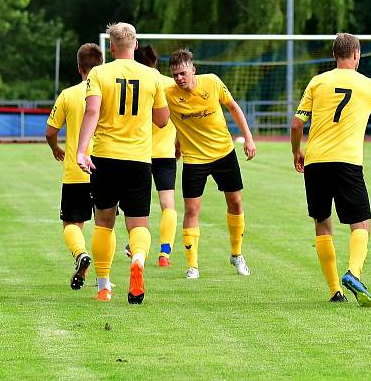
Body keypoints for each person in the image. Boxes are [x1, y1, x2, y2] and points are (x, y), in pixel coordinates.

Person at [291, 33, 371, 306]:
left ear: (333, 55)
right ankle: (353, 272)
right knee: (361, 222)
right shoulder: (368, 85)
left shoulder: (317, 82)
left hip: (316, 161)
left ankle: (334, 291)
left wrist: (297, 151)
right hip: (347, 162)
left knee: (322, 222)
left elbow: (296, 124)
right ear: (356, 55)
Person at [77, 22, 170, 304]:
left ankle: (104, 286)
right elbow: (163, 119)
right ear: (136, 45)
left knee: (104, 222)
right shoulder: (151, 76)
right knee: (138, 223)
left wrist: (82, 150)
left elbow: (92, 111)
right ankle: (138, 259)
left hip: (105, 157)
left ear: (111, 47)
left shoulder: (99, 73)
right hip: (139, 159)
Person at [164, 49, 256, 280]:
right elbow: (176, 120)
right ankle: (192, 265)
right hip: (195, 160)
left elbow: (233, 107)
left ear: (193, 70)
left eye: (183, 73)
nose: (179, 78)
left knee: (235, 203)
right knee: (192, 209)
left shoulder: (212, 82)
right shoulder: (168, 94)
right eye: (175, 75)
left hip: (224, 153)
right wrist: (177, 144)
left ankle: (237, 254)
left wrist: (249, 137)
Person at [45, 43, 104, 291]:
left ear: (79, 67)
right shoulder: (107, 92)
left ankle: (80, 254)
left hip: (76, 170)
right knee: (105, 224)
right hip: (104, 167)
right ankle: (105, 281)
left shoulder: (68, 94)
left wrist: (55, 148)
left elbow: (50, 132)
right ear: (101, 66)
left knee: (72, 224)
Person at [123, 45, 179, 268]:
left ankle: (136, 245)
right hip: (165, 152)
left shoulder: (131, 86)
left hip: (138, 153)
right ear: (155, 62)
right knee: (168, 204)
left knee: (136, 206)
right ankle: (165, 252)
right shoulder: (170, 84)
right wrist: (179, 143)